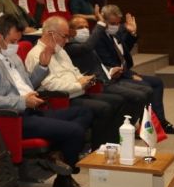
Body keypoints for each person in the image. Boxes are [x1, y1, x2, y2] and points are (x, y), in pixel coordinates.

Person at [0, 15, 92, 187]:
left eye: (18, 41)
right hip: (16, 119)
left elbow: (28, 84)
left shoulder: (12, 56)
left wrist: (42, 65)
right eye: (13, 41)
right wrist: (22, 101)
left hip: (33, 110)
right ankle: (64, 179)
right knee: (75, 131)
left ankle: (58, 156)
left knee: (84, 112)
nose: (16, 45)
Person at [24, 16, 124, 150]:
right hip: (62, 99)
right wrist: (79, 84)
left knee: (117, 100)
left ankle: (111, 146)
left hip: (78, 92)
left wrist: (85, 79)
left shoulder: (60, 50)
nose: (67, 40)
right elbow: (50, 85)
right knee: (104, 108)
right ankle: (98, 149)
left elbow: (74, 71)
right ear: (50, 34)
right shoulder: (35, 54)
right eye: (64, 36)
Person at [93, 5, 174, 134]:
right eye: (113, 23)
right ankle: (150, 125)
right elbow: (110, 63)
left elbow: (123, 52)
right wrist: (130, 75)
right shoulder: (99, 38)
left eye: (118, 23)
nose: (116, 26)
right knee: (145, 85)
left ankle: (157, 122)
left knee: (157, 82)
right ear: (104, 21)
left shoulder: (114, 33)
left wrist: (132, 33)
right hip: (113, 77)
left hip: (124, 72)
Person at [65, 12, 154, 124]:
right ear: (71, 31)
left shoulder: (89, 43)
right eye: (80, 27)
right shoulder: (71, 47)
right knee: (138, 96)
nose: (85, 30)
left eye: (86, 27)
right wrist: (100, 24)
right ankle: (127, 126)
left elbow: (99, 64)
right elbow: (86, 48)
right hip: (97, 84)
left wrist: (111, 70)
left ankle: (133, 125)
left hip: (109, 77)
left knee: (147, 90)